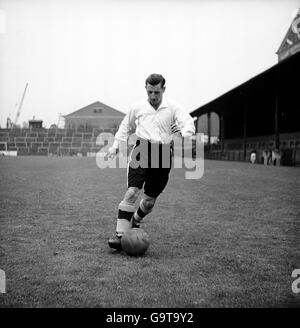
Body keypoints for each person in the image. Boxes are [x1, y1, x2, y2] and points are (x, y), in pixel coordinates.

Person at [106, 73, 195, 250]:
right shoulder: (137, 107)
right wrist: (115, 146)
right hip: (142, 150)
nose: (153, 96)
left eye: (156, 92)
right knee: (132, 192)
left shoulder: (172, 107)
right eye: (149, 92)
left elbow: (188, 123)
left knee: (148, 202)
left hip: (162, 155)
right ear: (146, 89)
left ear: (163, 89)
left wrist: (183, 133)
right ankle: (120, 235)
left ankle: (136, 221)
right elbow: (125, 126)